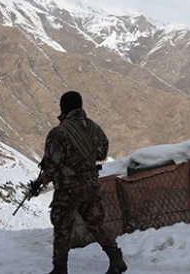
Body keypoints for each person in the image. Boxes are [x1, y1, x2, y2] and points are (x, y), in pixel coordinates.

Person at [38, 91, 127, 274]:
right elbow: (101, 154)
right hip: (90, 186)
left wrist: (43, 179)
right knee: (96, 224)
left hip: (68, 189)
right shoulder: (94, 128)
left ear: (63, 108)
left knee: (63, 228)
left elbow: (52, 164)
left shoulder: (59, 132)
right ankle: (116, 259)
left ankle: (60, 269)